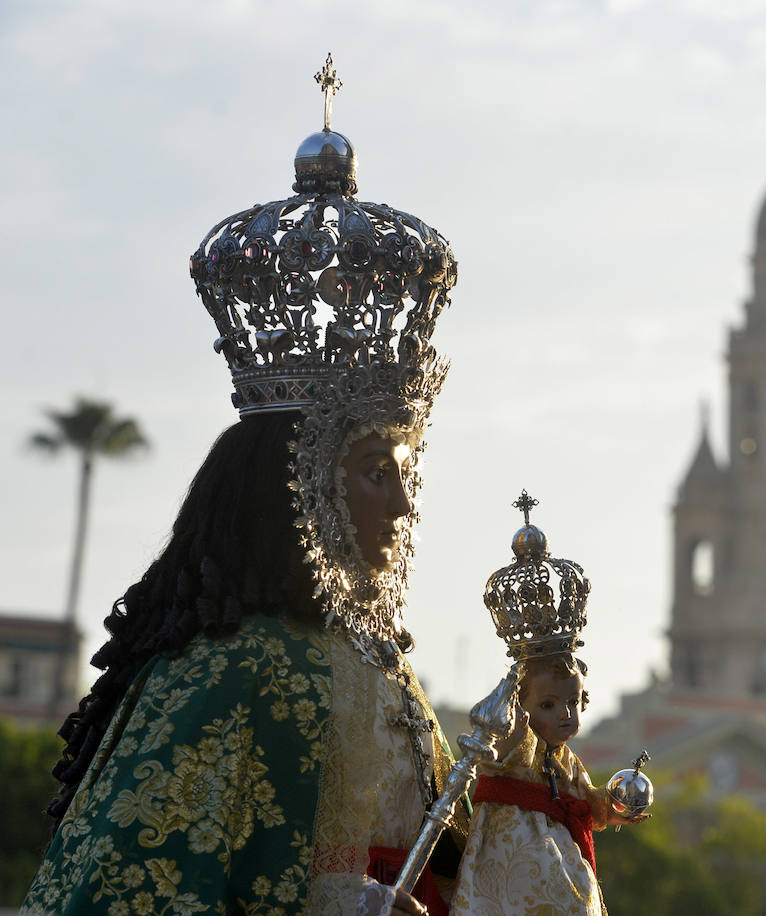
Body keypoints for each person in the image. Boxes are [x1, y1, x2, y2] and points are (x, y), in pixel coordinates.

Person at [22, 55, 463, 916]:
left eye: (404, 474)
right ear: (298, 483)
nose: (403, 507)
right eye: (377, 474)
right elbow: (137, 887)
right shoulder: (226, 671)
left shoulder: (391, 676)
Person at [449, 653, 647, 916]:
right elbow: (499, 752)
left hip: (561, 856)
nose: (565, 713)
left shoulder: (568, 760)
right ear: (519, 707)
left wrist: (611, 807)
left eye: (573, 702)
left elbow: (585, 798)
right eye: (547, 706)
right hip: (509, 859)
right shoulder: (522, 746)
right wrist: (511, 723)